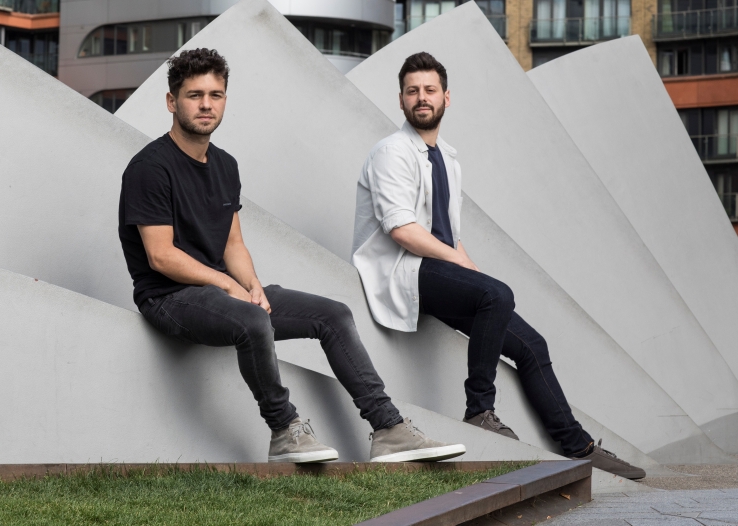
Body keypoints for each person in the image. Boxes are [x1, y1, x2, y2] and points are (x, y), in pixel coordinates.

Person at [118, 48, 467, 464]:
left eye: (216, 94)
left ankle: (388, 428)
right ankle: (284, 429)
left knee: (332, 315)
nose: (206, 105)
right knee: (250, 318)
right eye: (194, 95)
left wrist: (252, 286)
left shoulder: (225, 165)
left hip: (219, 291)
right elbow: (160, 256)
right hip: (168, 298)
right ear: (172, 102)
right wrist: (232, 287)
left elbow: (233, 245)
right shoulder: (150, 167)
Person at [352, 51, 645, 480]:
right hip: (402, 270)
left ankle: (578, 445)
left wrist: (471, 272)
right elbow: (403, 230)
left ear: (447, 98)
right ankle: (479, 411)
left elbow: (449, 236)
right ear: (400, 100)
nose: (421, 98)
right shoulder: (391, 152)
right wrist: (476, 278)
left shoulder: (446, 157)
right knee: (496, 293)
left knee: (531, 344)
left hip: (433, 267)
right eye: (412, 91)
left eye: (429, 90)